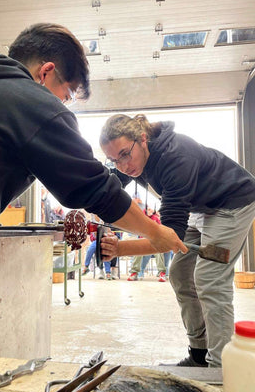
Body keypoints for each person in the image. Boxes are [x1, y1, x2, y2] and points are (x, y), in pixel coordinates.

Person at [0, 24, 186, 329]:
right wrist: (155, 233)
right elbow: (97, 191)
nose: (62, 105)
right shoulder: (30, 100)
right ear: (46, 73)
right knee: (17, 274)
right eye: (65, 96)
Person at [99, 113, 255, 367]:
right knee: (180, 273)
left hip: (232, 202)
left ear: (142, 139)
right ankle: (199, 356)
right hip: (201, 206)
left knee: (210, 279)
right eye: (114, 160)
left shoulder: (175, 158)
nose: (123, 166)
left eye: (125, 155)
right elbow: (111, 184)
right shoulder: (133, 159)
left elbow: (169, 238)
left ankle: (220, 368)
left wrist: (119, 248)